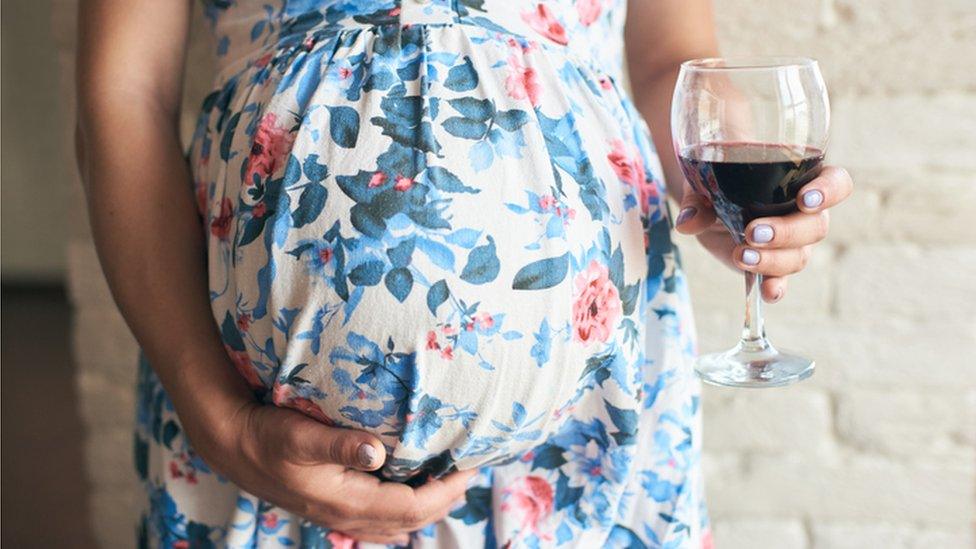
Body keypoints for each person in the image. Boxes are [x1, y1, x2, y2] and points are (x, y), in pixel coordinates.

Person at [76, 0, 853, 547]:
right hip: (243, 409)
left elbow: (667, 57)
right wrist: (218, 420)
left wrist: (722, 181)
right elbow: (124, 90)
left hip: (589, 412)